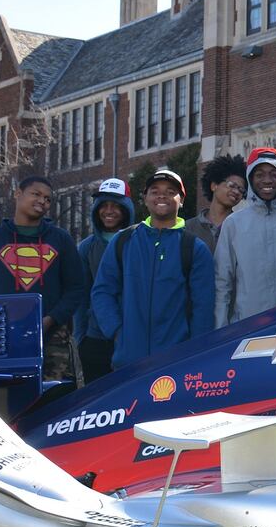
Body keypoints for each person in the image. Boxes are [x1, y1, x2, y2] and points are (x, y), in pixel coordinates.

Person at [90, 168, 214, 369]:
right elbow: (102, 291)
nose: (162, 195)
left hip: (176, 364)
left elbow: (203, 309)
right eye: (155, 191)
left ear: (181, 200)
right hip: (128, 362)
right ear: (145, 198)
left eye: (170, 191)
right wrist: (117, 332)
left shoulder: (195, 248)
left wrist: (193, 352)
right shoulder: (123, 241)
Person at [0, 175, 87, 380]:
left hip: (53, 340)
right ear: (18, 194)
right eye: (36, 194)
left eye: (48, 199)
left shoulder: (61, 239)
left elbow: (75, 288)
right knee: (6, 402)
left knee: (56, 401)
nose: (42, 201)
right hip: (3, 339)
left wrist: (50, 320)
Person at [214, 147, 276, 327]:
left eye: (274, 174)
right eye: (260, 174)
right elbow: (221, 283)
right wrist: (220, 329)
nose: (267, 180)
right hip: (247, 326)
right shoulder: (234, 223)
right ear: (250, 179)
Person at [72, 177, 133, 383]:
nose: (109, 211)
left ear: (127, 209)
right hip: (95, 339)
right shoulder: (87, 247)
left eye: (116, 205)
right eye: (104, 205)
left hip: (131, 337)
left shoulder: (138, 241)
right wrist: (81, 338)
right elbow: (81, 295)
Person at [186, 154, 245, 254]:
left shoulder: (241, 228)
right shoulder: (188, 228)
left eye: (241, 189)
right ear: (214, 186)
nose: (236, 191)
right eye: (231, 185)